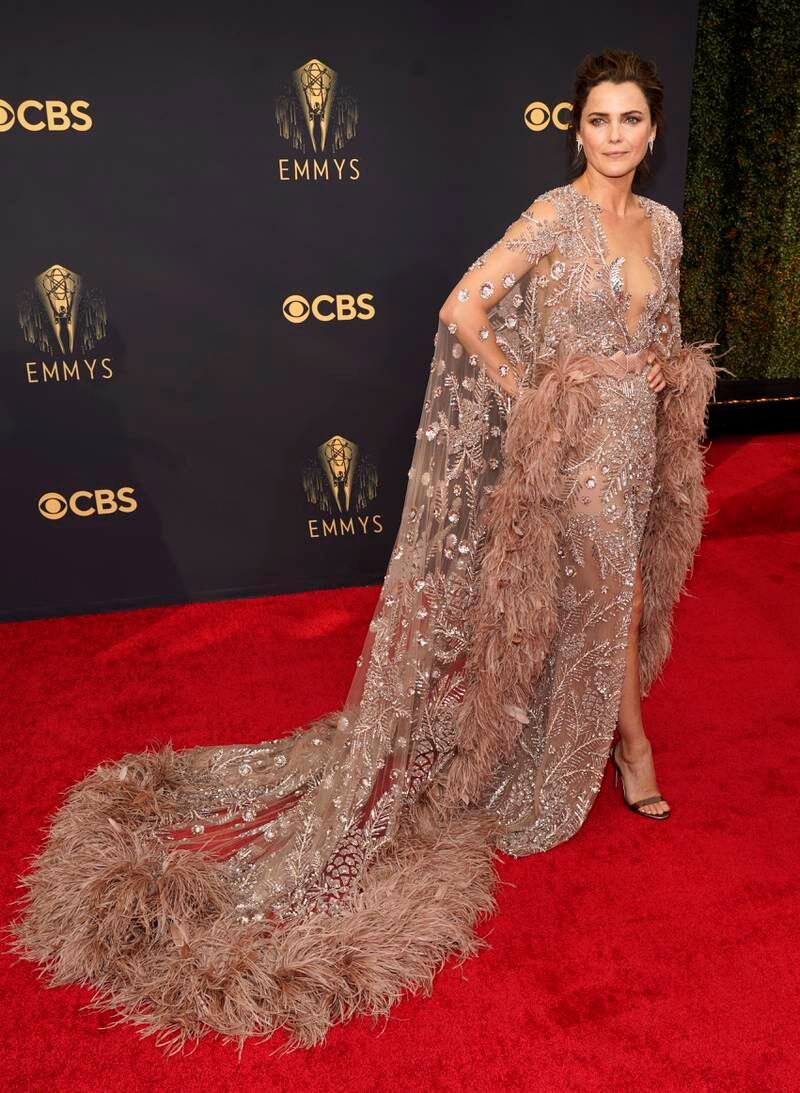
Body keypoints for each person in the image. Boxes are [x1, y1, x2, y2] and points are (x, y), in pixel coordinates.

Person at [8, 49, 726, 1052]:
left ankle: (615, 733)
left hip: (634, 446)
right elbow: (462, 310)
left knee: (619, 592)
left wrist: (658, 377)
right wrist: (531, 394)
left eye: (630, 120)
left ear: (651, 135)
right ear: (577, 130)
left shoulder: (661, 224)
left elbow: (669, 325)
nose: (613, 135)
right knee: (586, 592)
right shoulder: (550, 217)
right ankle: (627, 746)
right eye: (598, 119)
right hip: (568, 455)